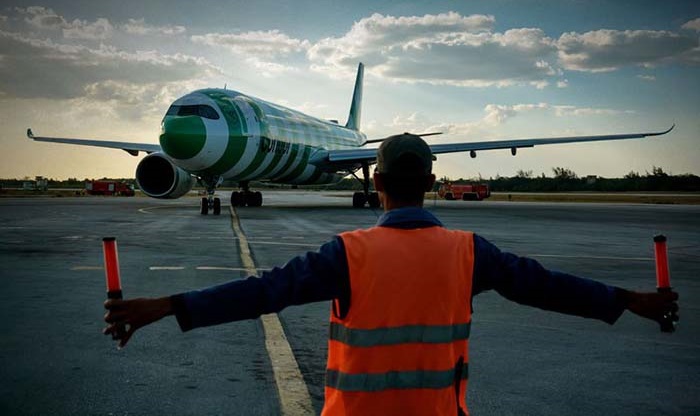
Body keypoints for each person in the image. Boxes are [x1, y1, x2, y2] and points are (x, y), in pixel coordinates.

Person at [104, 134, 679, 415]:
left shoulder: (344, 254)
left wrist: (168, 305)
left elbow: (262, 292)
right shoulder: (470, 251)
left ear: (374, 183)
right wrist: (629, 299)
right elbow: (548, 286)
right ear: (432, 183)